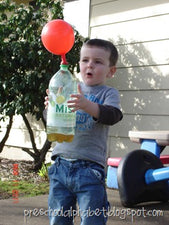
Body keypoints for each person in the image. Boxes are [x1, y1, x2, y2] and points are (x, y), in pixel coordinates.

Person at [45, 38, 123, 225]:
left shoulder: (108, 93)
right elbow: (52, 122)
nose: (90, 65)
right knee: (58, 219)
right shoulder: (67, 87)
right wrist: (50, 108)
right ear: (78, 63)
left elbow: (113, 115)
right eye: (85, 60)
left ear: (111, 71)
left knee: (92, 219)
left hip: (90, 170)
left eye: (98, 62)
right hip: (61, 165)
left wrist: (87, 105)